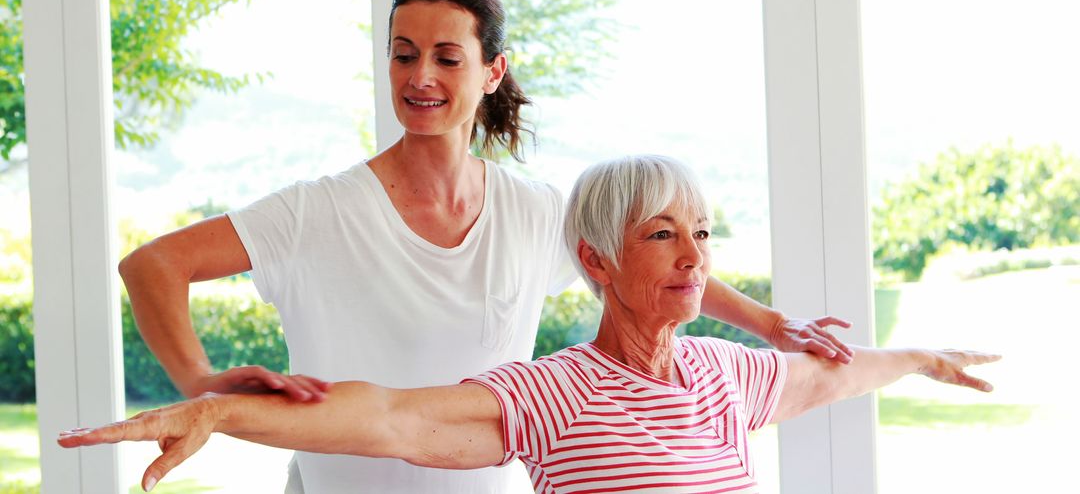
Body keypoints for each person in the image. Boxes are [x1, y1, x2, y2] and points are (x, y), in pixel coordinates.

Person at [117, 0, 853, 493]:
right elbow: (152, 265)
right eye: (403, 55)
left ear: (493, 71)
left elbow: (648, 259)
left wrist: (771, 323)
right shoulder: (318, 211)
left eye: (446, 57)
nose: (419, 78)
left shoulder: (533, 212)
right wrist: (199, 380)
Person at [65, 155, 1000, 494]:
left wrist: (919, 357)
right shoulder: (552, 392)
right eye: (661, 235)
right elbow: (388, 415)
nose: (693, 256)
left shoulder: (727, 374)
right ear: (594, 262)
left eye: (703, 234)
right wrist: (222, 411)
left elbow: (832, 375)